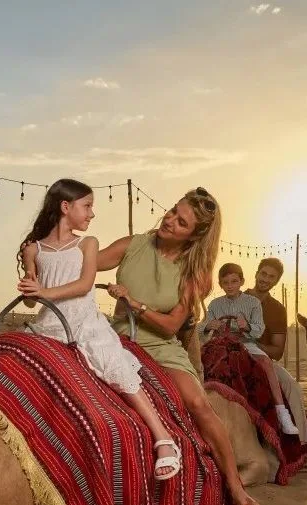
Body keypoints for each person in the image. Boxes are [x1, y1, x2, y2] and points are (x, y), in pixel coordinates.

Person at [97, 187, 264, 505]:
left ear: (195, 234)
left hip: (160, 345)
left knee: (198, 404)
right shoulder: (134, 244)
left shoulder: (194, 273)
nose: (170, 220)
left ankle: (236, 491)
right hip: (115, 337)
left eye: (181, 221)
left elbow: (172, 323)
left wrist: (135, 304)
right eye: (172, 211)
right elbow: (92, 261)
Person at [16, 179, 182, 480]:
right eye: (87, 206)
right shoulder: (34, 250)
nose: (92, 214)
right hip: (49, 324)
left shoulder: (87, 244)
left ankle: (163, 438)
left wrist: (43, 293)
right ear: (66, 207)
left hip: (83, 323)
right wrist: (30, 290)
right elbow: (31, 302)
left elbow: (83, 285)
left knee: (115, 366)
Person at [201, 263, 300, 435]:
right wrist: (209, 325)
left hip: (246, 344)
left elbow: (259, 330)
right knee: (200, 363)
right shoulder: (216, 304)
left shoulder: (257, 304)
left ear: (241, 281)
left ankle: (282, 413)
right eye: (226, 282)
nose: (230, 285)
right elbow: (202, 327)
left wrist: (246, 327)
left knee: (268, 365)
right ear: (256, 274)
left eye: (271, 277)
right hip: (220, 344)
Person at [245, 257, 307, 444]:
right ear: (256, 274)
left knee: (292, 387)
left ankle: (300, 445)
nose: (265, 279)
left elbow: (277, 351)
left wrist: (252, 344)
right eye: (263, 274)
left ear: (276, 281)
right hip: (230, 356)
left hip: (262, 360)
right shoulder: (235, 299)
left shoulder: (277, 309)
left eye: (271, 277)